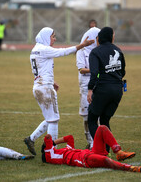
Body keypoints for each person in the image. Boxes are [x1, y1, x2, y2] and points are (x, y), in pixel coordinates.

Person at [24, 27, 94, 155]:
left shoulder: (35, 49)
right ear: (46, 37)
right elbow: (63, 52)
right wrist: (82, 45)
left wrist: (52, 81)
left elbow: (41, 69)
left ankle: (31, 139)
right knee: (54, 120)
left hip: (39, 86)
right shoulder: (44, 49)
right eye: (53, 36)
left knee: (49, 118)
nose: (55, 39)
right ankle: (51, 151)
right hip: (45, 88)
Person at [87, 27, 126, 153]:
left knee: (92, 119)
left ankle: (101, 149)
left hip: (103, 89)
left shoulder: (95, 52)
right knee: (104, 120)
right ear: (110, 37)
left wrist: (90, 89)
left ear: (99, 38)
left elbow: (95, 73)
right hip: (117, 90)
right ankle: (107, 149)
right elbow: (123, 71)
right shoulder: (118, 50)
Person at [41, 125, 141, 172]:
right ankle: (128, 167)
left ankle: (119, 152)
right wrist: (49, 143)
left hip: (91, 153)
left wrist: (54, 142)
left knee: (102, 128)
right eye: (48, 145)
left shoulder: (64, 150)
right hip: (86, 159)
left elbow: (70, 138)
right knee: (106, 160)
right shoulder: (50, 156)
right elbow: (48, 137)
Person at [76, 27, 100, 149]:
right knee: (86, 116)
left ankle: (98, 142)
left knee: (98, 115)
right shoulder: (81, 51)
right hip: (85, 85)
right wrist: (95, 71)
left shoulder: (100, 51)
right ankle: (90, 142)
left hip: (98, 83)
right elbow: (81, 70)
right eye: (96, 38)